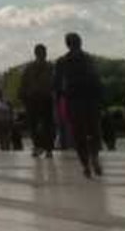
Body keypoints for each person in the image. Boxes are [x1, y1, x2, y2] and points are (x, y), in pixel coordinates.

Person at [54, 32, 105, 178]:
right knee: (95, 131)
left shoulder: (62, 61)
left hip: (73, 101)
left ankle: (85, 164)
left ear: (67, 44)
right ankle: (94, 156)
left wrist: (59, 103)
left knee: (79, 134)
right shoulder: (88, 58)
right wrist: (102, 100)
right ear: (80, 42)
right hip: (91, 100)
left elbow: (57, 85)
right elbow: (97, 80)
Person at [19, 44, 56, 159]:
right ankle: (41, 147)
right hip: (36, 100)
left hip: (42, 99)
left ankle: (45, 148)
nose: (43, 55)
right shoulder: (38, 68)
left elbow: (54, 83)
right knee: (38, 125)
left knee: (45, 125)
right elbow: (24, 84)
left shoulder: (48, 67)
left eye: (43, 52)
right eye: (41, 52)